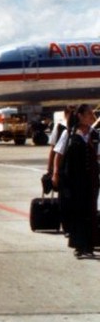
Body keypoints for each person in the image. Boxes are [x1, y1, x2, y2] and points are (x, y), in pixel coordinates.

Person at [51, 104, 99, 259]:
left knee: (90, 210)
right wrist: (55, 173)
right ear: (80, 116)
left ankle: (90, 245)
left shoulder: (94, 134)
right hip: (74, 179)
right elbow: (58, 154)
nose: (93, 117)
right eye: (89, 114)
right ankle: (79, 246)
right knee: (77, 211)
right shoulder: (69, 134)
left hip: (91, 179)